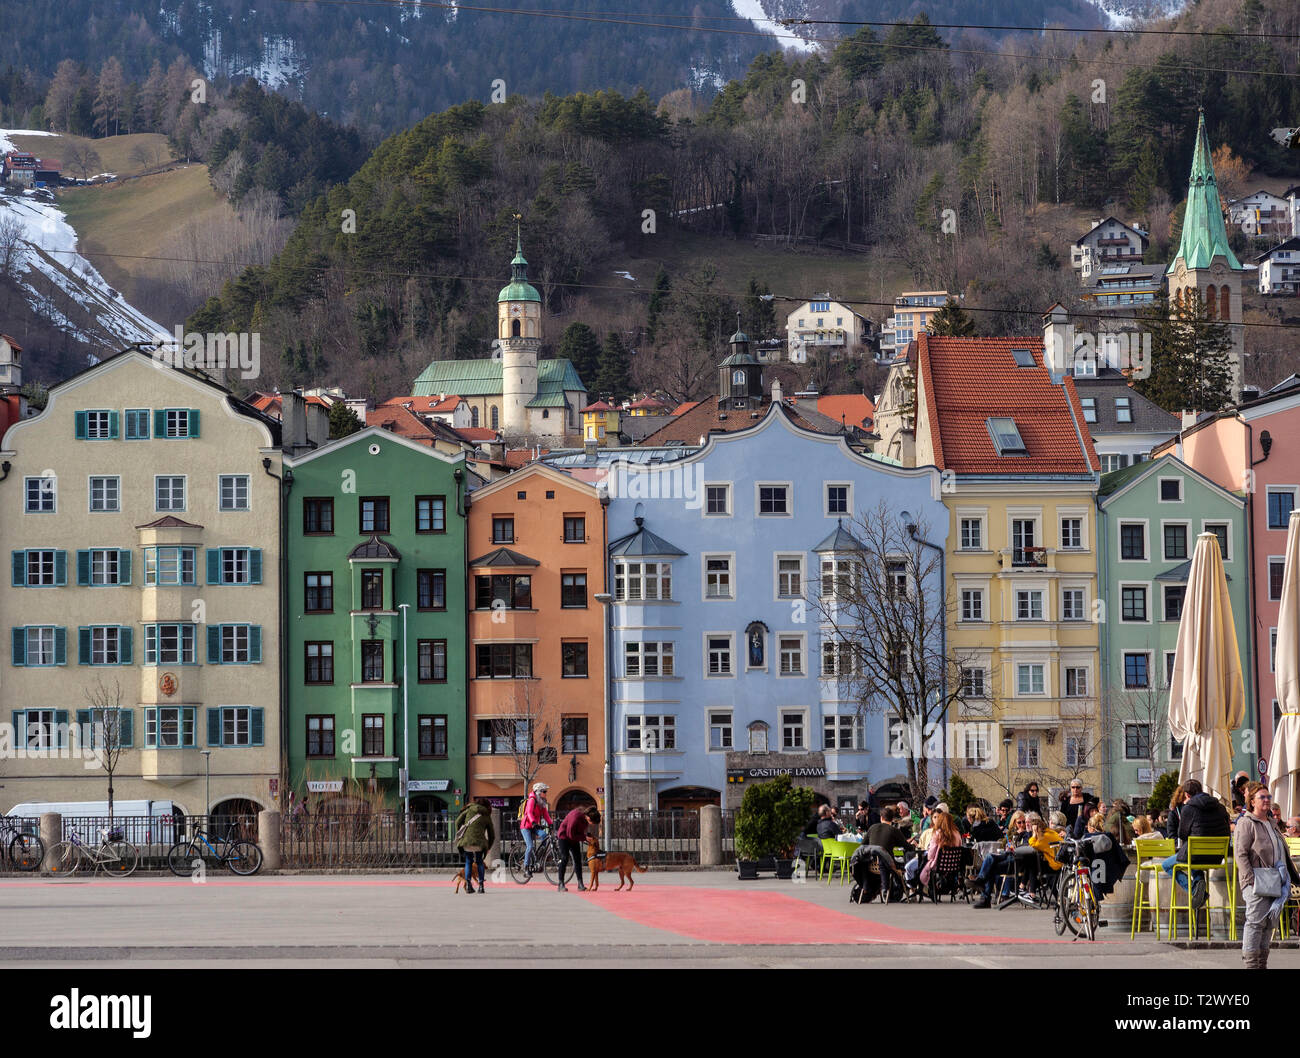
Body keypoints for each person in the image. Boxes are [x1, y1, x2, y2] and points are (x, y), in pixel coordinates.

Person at [1235, 782, 1300, 969]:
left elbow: (1282, 851)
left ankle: (1261, 964)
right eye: (1262, 797)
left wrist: (1290, 877)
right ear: (1252, 801)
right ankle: (1251, 965)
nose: (1266, 800)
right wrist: (1250, 880)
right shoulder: (1246, 823)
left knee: (1268, 925)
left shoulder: (1271, 823)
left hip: (1274, 881)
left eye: (1268, 797)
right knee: (1255, 924)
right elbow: (1241, 853)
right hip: (1258, 880)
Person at [1162, 778, 1231, 910]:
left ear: (1187, 795)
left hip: (1195, 855)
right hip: (1217, 857)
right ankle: (1199, 883)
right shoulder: (1221, 807)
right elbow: (1227, 831)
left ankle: (1195, 890)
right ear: (1201, 790)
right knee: (1193, 859)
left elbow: (1182, 834)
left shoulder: (1189, 808)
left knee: (1167, 865)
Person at [972, 811, 1030, 908]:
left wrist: (1022, 835)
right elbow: (1003, 843)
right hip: (1008, 856)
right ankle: (982, 885)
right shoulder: (1011, 833)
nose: (1022, 825)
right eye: (1019, 822)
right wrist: (1008, 845)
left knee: (990, 865)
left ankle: (984, 893)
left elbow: (1026, 847)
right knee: (989, 857)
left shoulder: (1028, 834)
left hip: (1018, 861)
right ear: (1014, 823)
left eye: (1024, 822)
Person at [454, 797, 495, 894]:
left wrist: (461, 834)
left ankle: (468, 885)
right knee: (480, 862)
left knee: (468, 861)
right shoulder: (486, 814)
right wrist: (488, 846)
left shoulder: (469, 810)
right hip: (479, 843)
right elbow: (491, 834)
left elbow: (457, 822)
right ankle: (481, 886)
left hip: (467, 842)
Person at [556, 805, 599, 892]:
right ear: (589, 818)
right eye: (593, 823)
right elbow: (570, 835)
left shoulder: (585, 818)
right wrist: (584, 838)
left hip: (574, 837)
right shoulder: (575, 817)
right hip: (564, 836)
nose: (592, 825)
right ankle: (561, 884)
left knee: (578, 859)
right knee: (564, 858)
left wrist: (585, 837)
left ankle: (580, 884)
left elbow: (579, 832)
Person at [919, 811, 963, 888]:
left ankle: (927, 888)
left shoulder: (937, 834)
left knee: (922, 865)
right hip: (954, 865)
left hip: (939, 866)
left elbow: (930, 855)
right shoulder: (957, 834)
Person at [519, 782, 553, 875]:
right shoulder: (532, 800)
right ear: (538, 792)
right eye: (544, 791)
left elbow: (545, 814)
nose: (546, 793)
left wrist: (551, 823)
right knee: (530, 846)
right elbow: (529, 812)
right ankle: (526, 867)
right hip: (526, 826)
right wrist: (534, 822)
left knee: (544, 835)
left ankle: (539, 857)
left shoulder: (541, 801)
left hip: (534, 826)